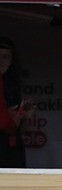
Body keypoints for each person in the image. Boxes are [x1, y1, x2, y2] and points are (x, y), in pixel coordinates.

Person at [0, 37, 35, 168]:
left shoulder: (12, 85)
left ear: (11, 60)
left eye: (6, 57)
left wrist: (25, 116)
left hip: (11, 148)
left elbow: (19, 130)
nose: (1, 61)